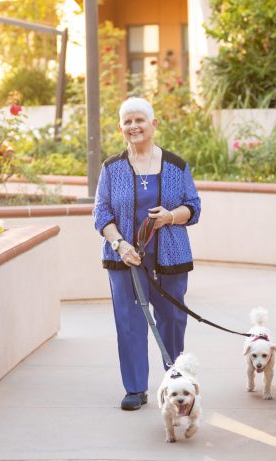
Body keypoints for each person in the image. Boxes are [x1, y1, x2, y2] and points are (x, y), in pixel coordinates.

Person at [92, 96, 202, 411]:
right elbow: (101, 213)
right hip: (125, 259)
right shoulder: (112, 168)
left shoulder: (176, 165)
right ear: (120, 128)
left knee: (172, 320)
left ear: (153, 124)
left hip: (170, 257)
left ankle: (174, 383)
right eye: (127, 121)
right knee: (129, 322)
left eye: (139, 120)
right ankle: (136, 388)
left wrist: (169, 216)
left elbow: (193, 207)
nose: (133, 126)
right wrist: (120, 244)